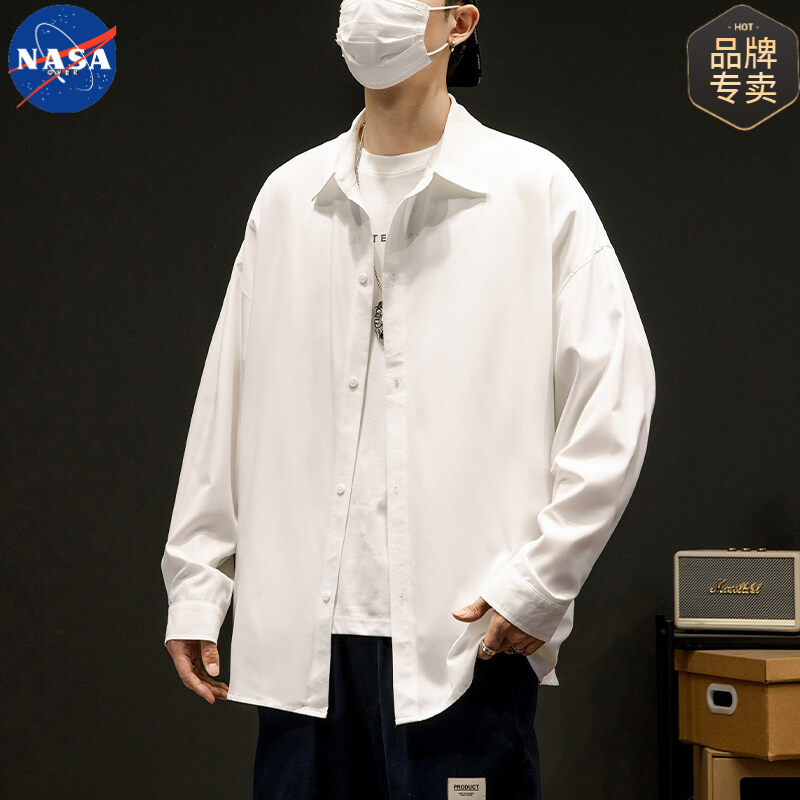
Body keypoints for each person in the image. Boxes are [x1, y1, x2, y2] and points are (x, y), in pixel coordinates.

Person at [161, 2, 657, 798]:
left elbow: (615, 400)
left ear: (459, 23)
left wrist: (541, 580)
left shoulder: (530, 190)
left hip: (464, 638)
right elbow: (227, 396)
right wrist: (197, 581)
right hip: (299, 640)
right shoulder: (290, 197)